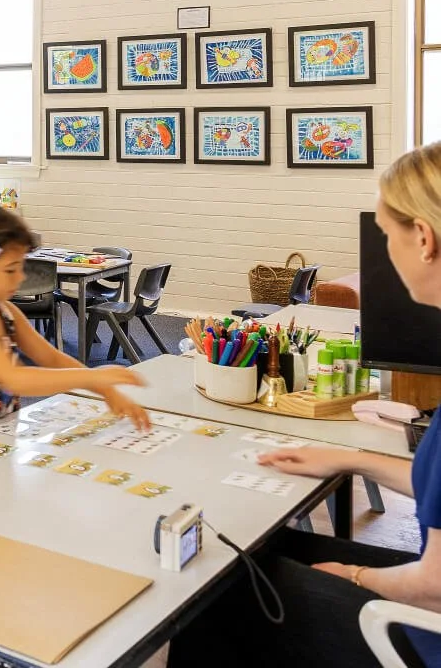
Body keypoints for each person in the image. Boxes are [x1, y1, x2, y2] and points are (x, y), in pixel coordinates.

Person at [171, 143, 441, 668]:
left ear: (424, 239)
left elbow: (433, 587)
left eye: (387, 236)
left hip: (420, 634)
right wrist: (350, 459)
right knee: (246, 556)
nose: (383, 253)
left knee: (210, 589)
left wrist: (356, 577)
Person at [0, 201, 148, 447]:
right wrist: (91, 379)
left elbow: (52, 359)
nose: (21, 277)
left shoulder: (3, 310)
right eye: (10, 270)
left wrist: (107, 391)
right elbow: (13, 378)